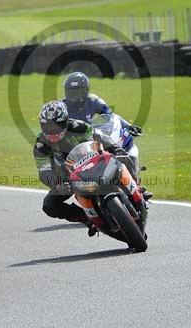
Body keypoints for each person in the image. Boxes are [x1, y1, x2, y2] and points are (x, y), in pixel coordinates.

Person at [34, 100, 130, 235]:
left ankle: (136, 189)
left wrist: (115, 148)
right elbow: (44, 170)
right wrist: (57, 184)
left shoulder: (77, 126)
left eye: (56, 125)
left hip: (93, 164)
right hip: (68, 178)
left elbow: (98, 137)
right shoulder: (41, 144)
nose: (52, 130)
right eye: (47, 126)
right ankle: (88, 219)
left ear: (66, 121)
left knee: (120, 159)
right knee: (49, 206)